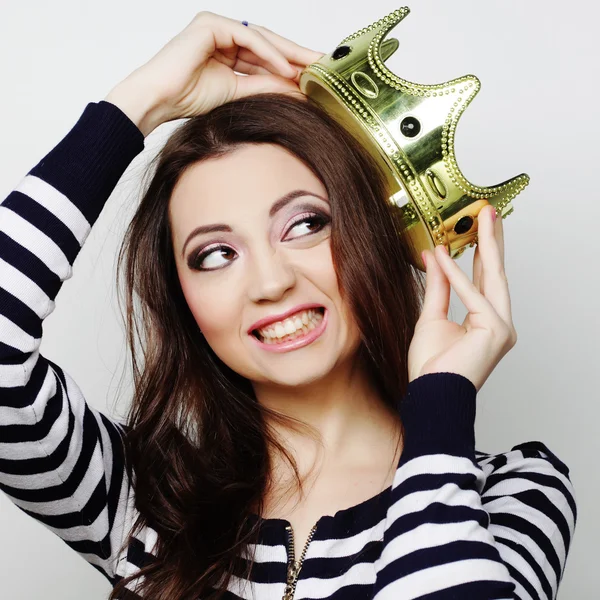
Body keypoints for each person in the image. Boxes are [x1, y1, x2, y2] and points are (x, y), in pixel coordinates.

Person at [0, 10, 576, 600]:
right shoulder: (147, 501)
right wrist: (136, 106)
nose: (270, 282)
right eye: (215, 255)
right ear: (184, 299)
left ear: (373, 235)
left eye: (305, 224)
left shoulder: (508, 494)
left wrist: (440, 401)